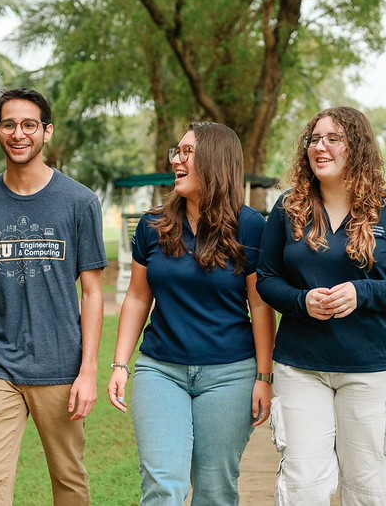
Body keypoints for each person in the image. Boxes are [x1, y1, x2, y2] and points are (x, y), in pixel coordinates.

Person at [256, 106, 386, 505]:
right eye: (314, 139)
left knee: (369, 487)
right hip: (301, 367)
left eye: (333, 139)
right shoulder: (288, 208)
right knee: (303, 486)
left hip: (373, 367)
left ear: (357, 147)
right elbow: (266, 280)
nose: (321, 147)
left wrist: (362, 293)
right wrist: (301, 301)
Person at [0, 87, 107, 505]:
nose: (19, 134)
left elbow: (92, 292)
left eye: (29, 125)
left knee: (70, 482)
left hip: (61, 367)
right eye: (9, 125)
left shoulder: (79, 202)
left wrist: (88, 370)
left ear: (46, 132)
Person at [107, 121, 276, 505]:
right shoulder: (152, 226)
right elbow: (137, 298)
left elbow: (260, 304)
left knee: (215, 491)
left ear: (215, 161)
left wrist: (264, 376)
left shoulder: (249, 226)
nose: (176, 161)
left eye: (187, 153)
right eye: (176, 152)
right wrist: (120, 364)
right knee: (163, 485)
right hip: (161, 370)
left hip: (230, 375)